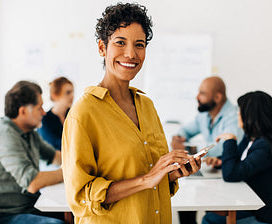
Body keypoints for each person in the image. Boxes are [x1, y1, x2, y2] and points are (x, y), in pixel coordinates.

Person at [61, 3, 203, 223]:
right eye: (120, 42)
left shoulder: (146, 105)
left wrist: (173, 173)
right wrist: (147, 179)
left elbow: (153, 177)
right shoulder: (83, 114)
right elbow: (80, 197)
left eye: (139, 44)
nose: (131, 54)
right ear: (102, 48)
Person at [0, 81, 64, 224]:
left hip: (28, 206)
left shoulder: (28, 131)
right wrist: (71, 171)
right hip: (6, 215)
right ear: (23, 111)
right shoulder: (5, 135)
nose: (43, 112)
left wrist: (85, 162)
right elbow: (33, 183)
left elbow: (55, 156)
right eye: (39, 107)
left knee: (80, 214)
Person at [171, 77, 245, 224]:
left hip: (227, 176)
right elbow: (185, 130)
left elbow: (223, 146)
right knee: (185, 195)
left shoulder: (233, 116)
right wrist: (178, 137)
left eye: (202, 93)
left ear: (217, 97)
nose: (197, 97)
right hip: (211, 172)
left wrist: (187, 149)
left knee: (199, 201)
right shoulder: (205, 114)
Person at [202, 91, 272, 224]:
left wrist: (230, 140)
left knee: (210, 220)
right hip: (256, 205)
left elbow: (232, 174)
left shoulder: (266, 145)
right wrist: (220, 162)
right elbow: (239, 161)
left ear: (249, 115)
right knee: (211, 215)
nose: (237, 115)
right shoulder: (252, 137)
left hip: (266, 215)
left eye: (240, 111)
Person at [37, 76, 74, 150]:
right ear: (55, 96)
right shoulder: (45, 120)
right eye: (68, 92)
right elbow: (56, 145)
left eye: (72, 91)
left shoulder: (74, 115)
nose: (72, 96)